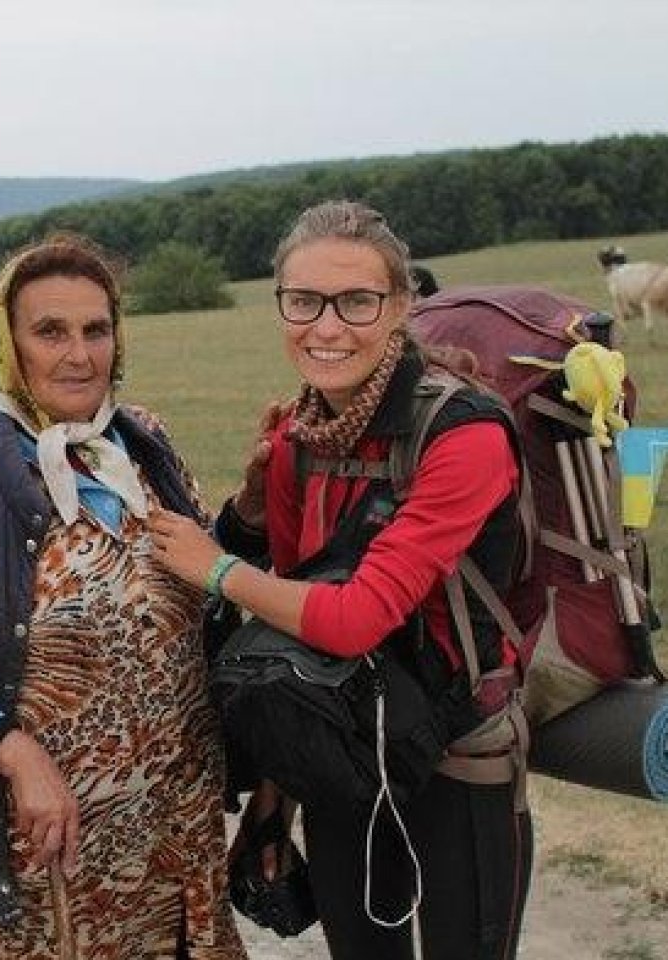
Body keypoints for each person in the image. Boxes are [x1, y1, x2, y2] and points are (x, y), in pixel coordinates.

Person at [148, 199, 533, 960]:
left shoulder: (465, 435)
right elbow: (297, 634)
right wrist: (273, 801)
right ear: (280, 306)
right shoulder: (298, 439)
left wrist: (216, 567)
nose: (327, 327)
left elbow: (355, 618)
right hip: (344, 748)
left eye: (358, 301)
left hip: (460, 752)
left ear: (403, 305)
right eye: (304, 301)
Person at [0, 233, 246, 959]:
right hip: (59, 851)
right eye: (50, 331)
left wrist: (252, 522)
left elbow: (202, 584)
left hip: (183, 829)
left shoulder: (144, 449)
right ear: (6, 345)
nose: (79, 355)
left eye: (96, 330)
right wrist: (13, 752)